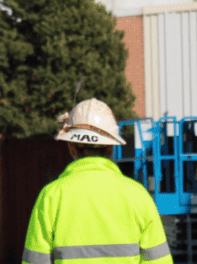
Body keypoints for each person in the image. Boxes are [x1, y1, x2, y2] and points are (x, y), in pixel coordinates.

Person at [22, 98, 172, 264]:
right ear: (111, 147)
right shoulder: (138, 196)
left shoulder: (51, 196)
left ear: (71, 147)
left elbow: (35, 261)